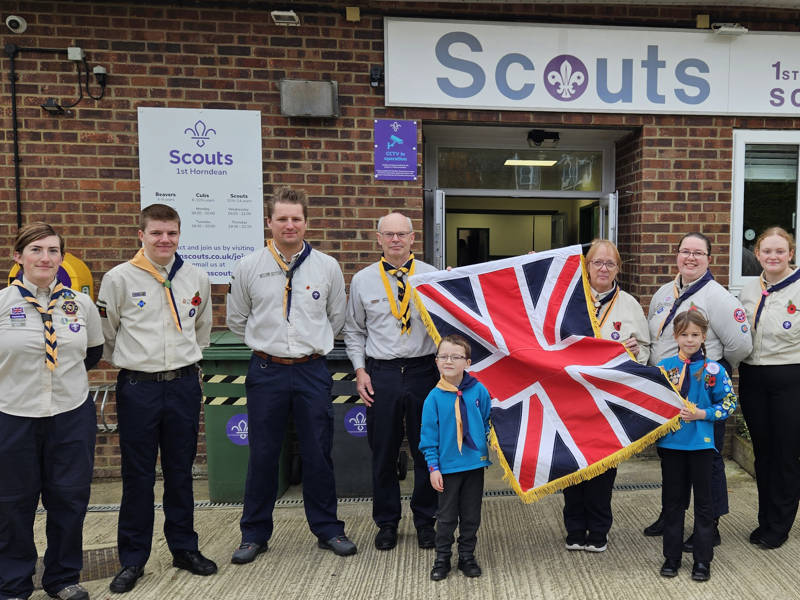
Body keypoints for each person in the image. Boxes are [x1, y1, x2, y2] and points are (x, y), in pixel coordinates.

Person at [226, 187, 356, 563]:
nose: (289, 225)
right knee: (263, 454)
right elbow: (237, 320)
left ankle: (328, 529)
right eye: (282, 218)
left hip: (312, 369)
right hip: (266, 369)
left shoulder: (327, 266)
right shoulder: (249, 266)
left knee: (318, 453)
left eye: (296, 218)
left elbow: (336, 319)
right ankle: (253, 534)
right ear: (269, 222)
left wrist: (308, 345)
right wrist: (269, 342)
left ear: (306, 222)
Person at [97, 204, 216, 593]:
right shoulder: (118, 279)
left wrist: (183, 365)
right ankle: (133, 559)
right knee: (138, 476)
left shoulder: (196, 277)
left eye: (172, 233)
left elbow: (202, 329)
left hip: (183, 386)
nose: (165, 240)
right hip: (139, 388)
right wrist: (138, 364)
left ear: (180, 234)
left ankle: (184, 548)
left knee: (181, 472)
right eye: (157, 233)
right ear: (142, 235)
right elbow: (108, 335)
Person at [0, 223, 103, 600]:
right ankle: (12, 583)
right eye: (36, 250)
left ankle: (62, 577)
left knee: (69, 500)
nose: (45, 258)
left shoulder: (81, 304)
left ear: (62, 257)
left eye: (53, 251)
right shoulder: (2, 304)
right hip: (13, 415)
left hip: (69, 415)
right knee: (12, 504)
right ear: (18, 257)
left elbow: (91, 353)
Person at [644, 232, 752, 549]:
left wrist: (710, 370)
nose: (690, 258)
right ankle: (671, 514)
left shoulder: (718, 297)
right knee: (671, 456)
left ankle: (710, 525)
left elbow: (740, 347)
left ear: (709, 258)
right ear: (677, 255)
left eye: (698, 253)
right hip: (668, 387)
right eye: (685, 251)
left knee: (709, 460)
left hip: (702, 387)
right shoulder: (664, 292)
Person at [344, 212, 439, 551]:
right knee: (383, 452)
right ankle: (387, 522)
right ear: (379, 238)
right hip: (381, 373)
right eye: (389, 234)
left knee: (427, 451)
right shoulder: (363, 280)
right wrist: (359, 370)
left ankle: (426, 520)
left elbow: (449, 325)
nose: (396, 240)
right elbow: (354, 330)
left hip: (424, 372)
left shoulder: (432, 277)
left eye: (402, 234)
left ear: (413, 238)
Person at [562, 240, 651, 553]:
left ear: (618, 268)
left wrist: (636, 354)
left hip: (608, 405)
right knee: (572, 465)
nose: (603, 268)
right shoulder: (568, 300)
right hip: (571, 399)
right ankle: (574, 528)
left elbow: (646, 350)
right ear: (586, 267)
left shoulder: (629, 304)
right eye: (597, 263)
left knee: (601, 468)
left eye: (609, 264)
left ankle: (598, 530)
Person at [656, 310, 737, 582]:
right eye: (684, 335)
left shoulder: (714, 370)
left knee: (704, 504)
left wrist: (703, 414)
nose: (689, 340)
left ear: (704, 337)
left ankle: (702, 561)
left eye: (695, 335)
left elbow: (728, 403)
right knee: (673, 502)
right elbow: (654, 403)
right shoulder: (665, 367)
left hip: (702, 446)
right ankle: (672, 556)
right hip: (672, 445)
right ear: (675, 336)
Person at [739, 227, 800, 549]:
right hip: (753, 379)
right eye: (766, 252)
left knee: (785, 454)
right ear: (758, 254)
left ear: (790, 253)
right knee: (763, 454)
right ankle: (765, 519)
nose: (773, 257)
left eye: (779, 251)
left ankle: (781, 524)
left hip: (790, 380)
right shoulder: (750, 289)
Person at [420, 334, 491, 581]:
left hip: (473, 465)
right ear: (436, 361)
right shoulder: (433, 398)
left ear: (468, 363)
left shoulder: (479, 390)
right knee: (447, 516)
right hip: (447, 468)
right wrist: (433, 467)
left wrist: (486, 443)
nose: (448, 361)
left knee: (471, 515)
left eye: (455, 356)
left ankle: (467, 556)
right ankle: (442, 558)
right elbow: (428, 438)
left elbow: (485, 421)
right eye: (443, 356)